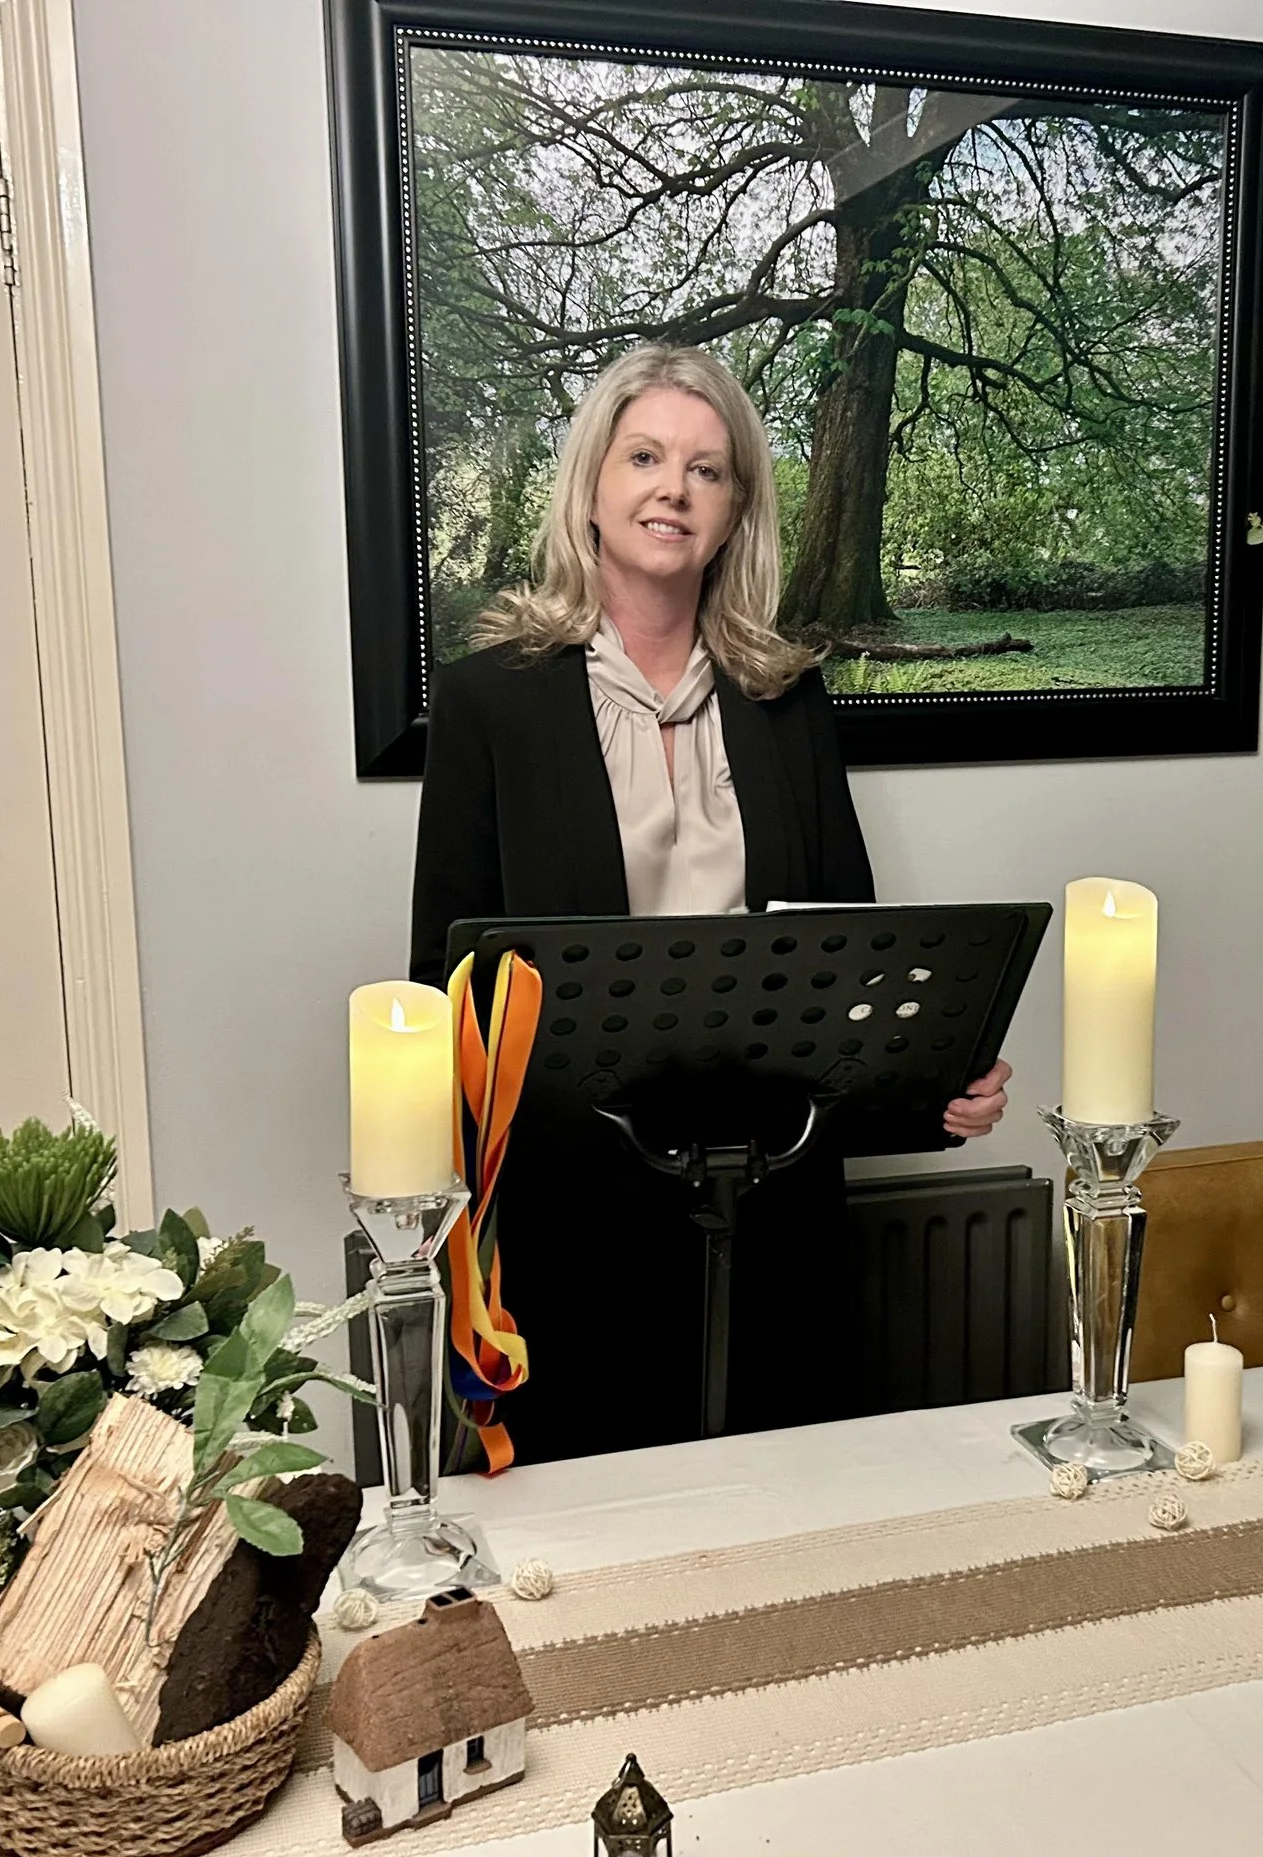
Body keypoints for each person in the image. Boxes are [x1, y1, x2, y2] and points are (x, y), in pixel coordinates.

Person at [410, 344, 1012, 1462]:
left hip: (773, 1197)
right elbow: (442, 978)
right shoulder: (493, 698)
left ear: (736, 511)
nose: (671, 489)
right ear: (592, 485)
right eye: (643, 457)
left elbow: (852, 951)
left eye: (707, 469)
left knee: (776, 1536)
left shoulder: (787, 697)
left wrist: (933, 1087)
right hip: (573, 1210)